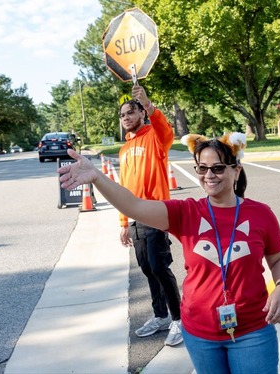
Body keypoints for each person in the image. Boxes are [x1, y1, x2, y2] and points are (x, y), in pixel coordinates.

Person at [58, 132, 280, 374]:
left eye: (218, 168)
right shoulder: (186, 212)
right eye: (202, 168)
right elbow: (133, 205)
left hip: (252, 331)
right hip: (200, 334)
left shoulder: (260, 214)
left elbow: (279, 259)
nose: (209, 175)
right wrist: (97, 177)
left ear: (236, 170)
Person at [118, 85, 183, 347]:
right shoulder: (123, 150)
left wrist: (147, 102)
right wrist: (124, 222)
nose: (125, 117)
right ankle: (160, 316)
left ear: (142, 114)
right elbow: (123, 188)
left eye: (130, 112)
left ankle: (179, 319)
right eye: (122, 115)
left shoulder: (154, 137)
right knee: (147, 269)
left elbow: (166, 130)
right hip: (134, 218)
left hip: (155, 212)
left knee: (159, 266)